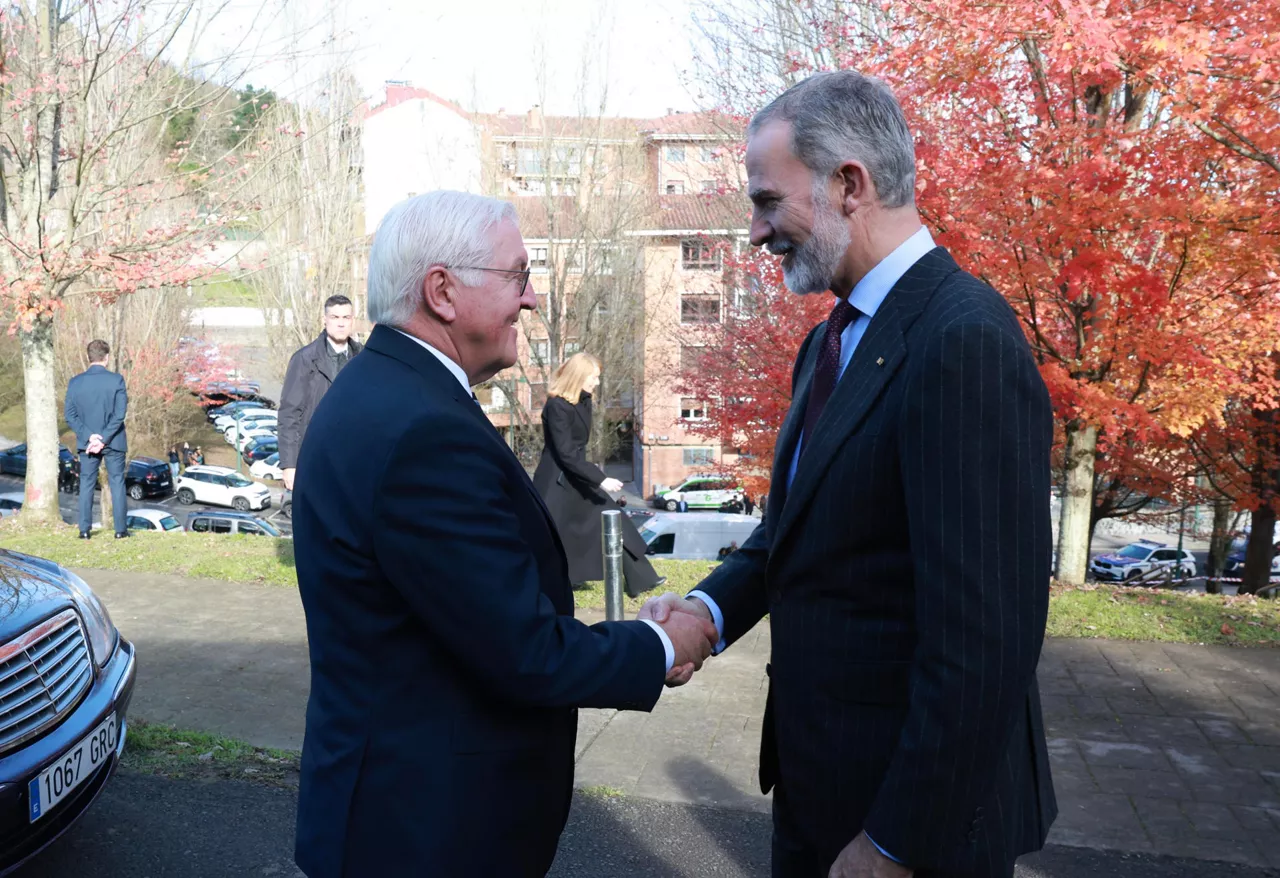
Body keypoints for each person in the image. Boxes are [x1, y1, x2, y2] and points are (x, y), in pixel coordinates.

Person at [641, 71, 1056, 878]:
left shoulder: (962, 343)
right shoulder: (832, 339)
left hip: (910, 826)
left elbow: (985, 642)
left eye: (766, 201)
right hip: (821, 792)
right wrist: (703, 612)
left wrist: (897, 842)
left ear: (849, 184)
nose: (756, 233)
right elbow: (797, 534)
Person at [291, 190, 718, 878]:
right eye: (518, 275)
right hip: (421, 835)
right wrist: (665, 641)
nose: (530, 299)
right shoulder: (421, 429)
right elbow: (525, 651)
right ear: (443, 291)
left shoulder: (392, 392)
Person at [532, 352, 665, 597]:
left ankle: (642, 579)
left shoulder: (583, 401)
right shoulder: (556, 407)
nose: (597, 382)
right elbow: (566, 454)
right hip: (558, 483)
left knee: (615, 520)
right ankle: (562, 582)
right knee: (553, 538)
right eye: (593, 377)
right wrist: (601, 478)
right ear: (579, 376)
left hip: (575, 477)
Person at [278, 294, 363, 491]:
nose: (341, 324)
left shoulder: (364, 358)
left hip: (354, 461)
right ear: (324, 319)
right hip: (315, 458)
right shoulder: (304, 360)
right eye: (335, 317)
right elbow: (289, 414)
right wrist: (289, 465)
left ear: (352, 320)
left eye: (346, 318)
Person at [64, 339, 130, 539]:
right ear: (106, 358)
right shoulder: (116, 380)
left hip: (88, 442)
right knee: (117, 482)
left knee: (86, 484)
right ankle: (120, 531)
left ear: (88, 357)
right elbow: (120, 414)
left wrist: (89, 436)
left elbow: (70, 415)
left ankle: (84, 530)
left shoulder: (75, 383)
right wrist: (104, 438)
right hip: (114, 440)